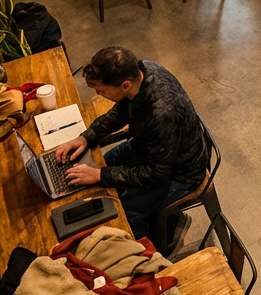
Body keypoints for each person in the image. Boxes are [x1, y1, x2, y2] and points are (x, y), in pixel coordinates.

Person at [57, 46, 208, 244]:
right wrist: (86, 137)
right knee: (95, 169)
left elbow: (156, 175)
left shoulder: (161, 114)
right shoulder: (143, 69)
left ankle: (160, 242)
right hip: (148, 150)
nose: (99, 94)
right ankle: (158, 220)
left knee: (120, 216)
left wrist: (100, 175)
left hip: (179, 174)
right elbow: (122, 109)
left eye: (101, 91)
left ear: (125, 84)